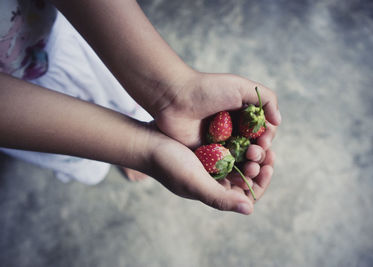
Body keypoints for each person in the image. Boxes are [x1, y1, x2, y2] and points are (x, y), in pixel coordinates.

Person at [0, 0, 281, 215]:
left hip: (46, 30)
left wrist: (173, 91)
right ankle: (124, 146)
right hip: (20, 113)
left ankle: (139, 132)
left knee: (118, 92)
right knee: (84, 145)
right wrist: (141, 149)